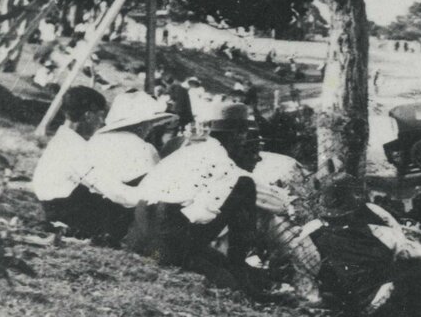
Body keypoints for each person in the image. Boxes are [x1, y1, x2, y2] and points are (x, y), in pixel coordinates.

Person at [124, 102, 264, 295]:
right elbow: (207, 222)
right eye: (244, 135)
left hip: (139, 241)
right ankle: (240, 276)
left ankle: (235, 272)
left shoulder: (185, 153)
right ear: (238, 135)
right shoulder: (231, 170)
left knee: (219, 262)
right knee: (246, 187)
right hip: (169, 247)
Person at [307, 174, 421, 317]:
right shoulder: (376, 229)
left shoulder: (313, 233)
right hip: (386, 301)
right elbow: (419, 254)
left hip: (355, 306)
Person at [79, 91, 178, 246]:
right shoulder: (142, 147)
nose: (150, 128)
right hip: (123, 214)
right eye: (149, 124)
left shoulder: (95, 140)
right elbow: (154, 187)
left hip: (91, 209)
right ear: (140, 124)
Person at [32, 86, 109, 236]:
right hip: (63, 207)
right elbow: (99, 184)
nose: (101, 122)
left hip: (54, 203)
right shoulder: (74, 145)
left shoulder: (64, 138)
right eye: (100, 116)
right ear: (88, 116)